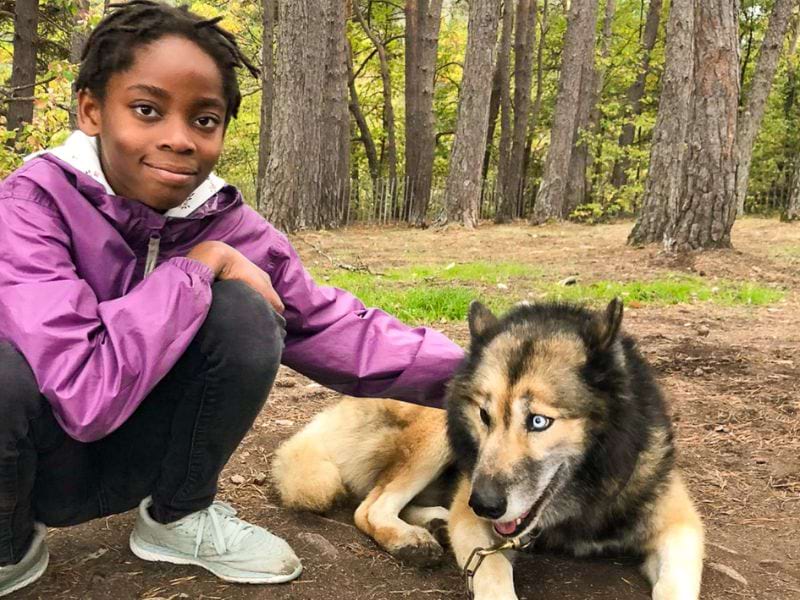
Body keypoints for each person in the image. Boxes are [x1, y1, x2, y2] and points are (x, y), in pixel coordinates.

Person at [0, 1, 464, 596]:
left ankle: (178, 514)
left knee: (247, 310)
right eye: (146, 110)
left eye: (204, 120)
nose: (179, 140)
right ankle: (9, 548)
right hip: (40, 465)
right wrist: (196, 268)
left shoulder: (225, 220)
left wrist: (484, 373)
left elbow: (325, 322)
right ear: (91, 109)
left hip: (146, 451)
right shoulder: (29, 208)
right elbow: (82, 389)